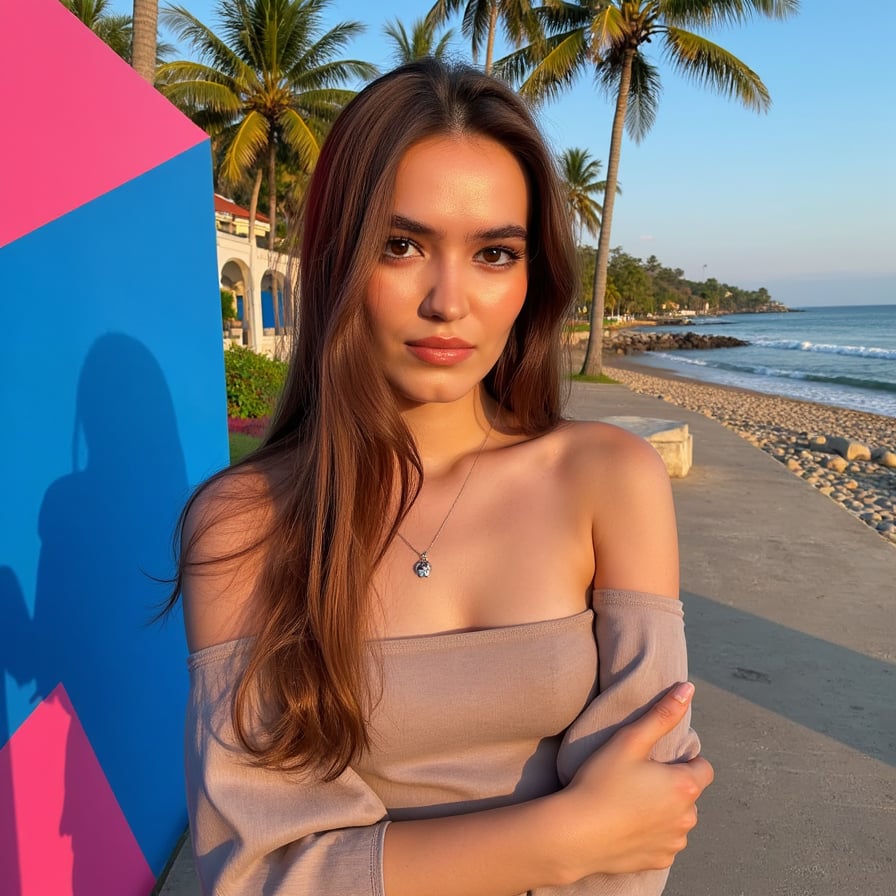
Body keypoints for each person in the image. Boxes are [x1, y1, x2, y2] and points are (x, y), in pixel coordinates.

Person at [171, 59, 713, 896]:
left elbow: (648, 815)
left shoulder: (606, 480)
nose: (449, 301)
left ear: (532, 278)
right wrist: (562, 838)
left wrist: (595, 837)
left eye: (495, 253)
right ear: (336, 258)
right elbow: (260, 873)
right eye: (402, 246)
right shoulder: (250, 523)